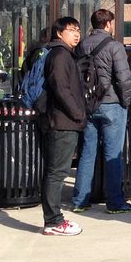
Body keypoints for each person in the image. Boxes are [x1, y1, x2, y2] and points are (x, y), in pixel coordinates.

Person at [71, 9, 131, 214]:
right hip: (112, 104)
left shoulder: (82, 45)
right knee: (112, 154)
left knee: (87, 153)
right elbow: (124, 78)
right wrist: (126, 102)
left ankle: (80, 200)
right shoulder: (114, 46)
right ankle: (115, 201)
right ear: (108, 24)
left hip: (90, 105)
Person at [40, 17, 86, 236]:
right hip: (61, 122)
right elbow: (61, 89)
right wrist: (78, 114)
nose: (76, 34)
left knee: (56, 171)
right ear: (59, 33)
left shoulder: (65, 54)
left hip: (64, 121)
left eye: (78, 30)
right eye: (71, 30)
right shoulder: (59, 55)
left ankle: (54, 218)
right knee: (56, 173)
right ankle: (53, 220)